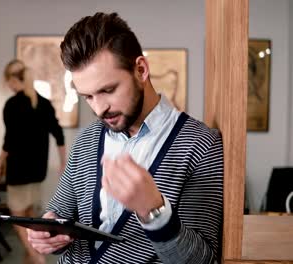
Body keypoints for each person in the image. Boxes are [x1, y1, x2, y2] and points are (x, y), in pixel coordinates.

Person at [26, 12, 223, 264]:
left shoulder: (201, 144)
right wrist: (48, 235)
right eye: (88, 96)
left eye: (107, 90)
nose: (98, 109)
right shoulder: (87, 139)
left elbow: (202, 260)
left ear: (141, 70)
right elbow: (59, 215)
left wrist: (154, 210)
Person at [0, 59, 66, 264]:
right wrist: (63, 163)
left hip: (18, 171)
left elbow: (8, 141)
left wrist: (0, 162)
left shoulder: (12, 104)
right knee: (28, 213)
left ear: (11, 79)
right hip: (37, 170)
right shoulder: (43, 103)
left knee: (17, 215)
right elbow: (59, 134)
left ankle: (37, 256)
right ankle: (31, 256)